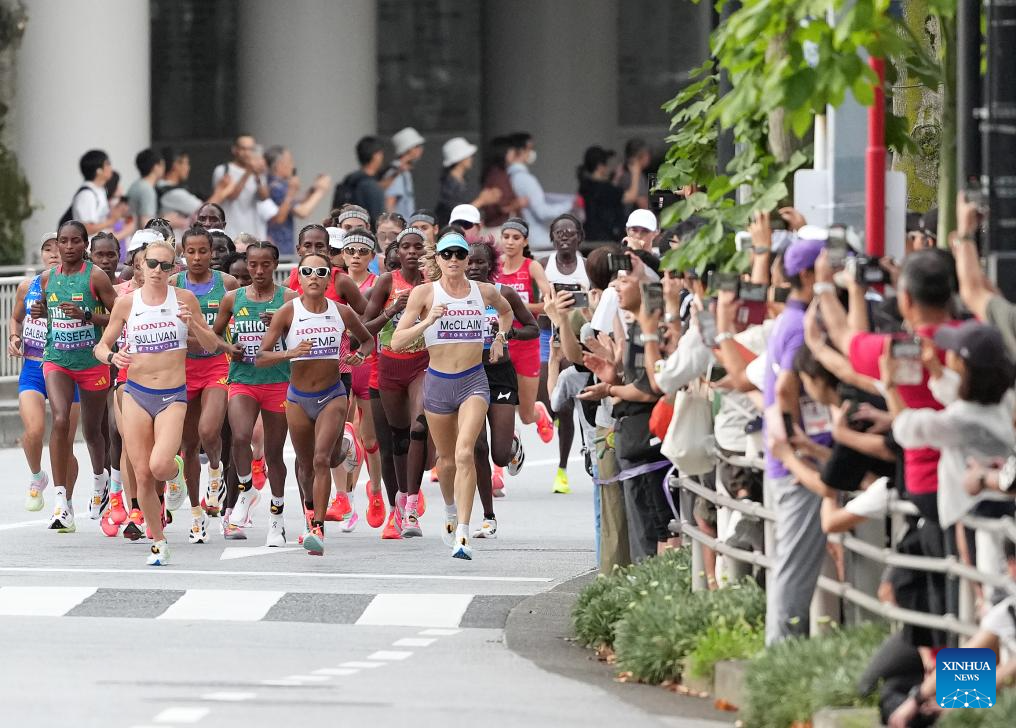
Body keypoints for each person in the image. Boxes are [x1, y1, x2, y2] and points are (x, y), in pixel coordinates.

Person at [94, 237, 221, 565]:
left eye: (165, 265)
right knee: (143, 474)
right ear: (141, 265)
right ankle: (159, 542)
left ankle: (175, 471)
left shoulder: (185, 299)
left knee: (159, 465)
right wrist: (112, 357)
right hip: (136, 394)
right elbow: (101, 346)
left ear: (173, 269)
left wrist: (194, 324)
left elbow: (212, 345)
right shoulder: (127, 303)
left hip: (172, 396)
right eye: (152, 263)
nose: (157, 270)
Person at [391, 231, 513, 558]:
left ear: (467, 259)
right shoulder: (424, 293)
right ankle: (449, 511)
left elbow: (506, 312)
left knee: (464, 453)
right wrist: (427, 321)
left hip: (474, 381)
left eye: (460, 254)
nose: (454, 260)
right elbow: (397, 341)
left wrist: (500, 338)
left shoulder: (483, 291)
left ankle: (464, 533)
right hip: (439, 383)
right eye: (447, 254)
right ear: (438, 259)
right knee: (445, 461)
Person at [256, 253, 373, 555]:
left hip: (332, 395)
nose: (314, 277)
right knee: (307, 464)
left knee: (321, 460)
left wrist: (360, 356)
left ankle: (318, 529)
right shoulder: (287, 312)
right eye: (307, 271)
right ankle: (312, 510)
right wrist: (289, 353)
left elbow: (367, 340)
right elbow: (261, 356)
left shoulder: (341, 312)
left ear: (329, 278)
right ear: (299, 275)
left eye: (321, 272)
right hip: (298, 398)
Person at [762, 235, 830, 645]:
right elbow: (787, 386)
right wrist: (794, 443)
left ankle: (784, 650)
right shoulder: (800, 324)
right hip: (799, 465)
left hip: (794, 460)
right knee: (793, 567)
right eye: (827, 264)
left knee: (791, 563)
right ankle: (781, 653)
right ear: (806, 274)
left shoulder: (793, 318)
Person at [31, 221, 119, 532]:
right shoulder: (47, 278)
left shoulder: (95, 277)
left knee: (92, 431)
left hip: (92, 362)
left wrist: (87, 316)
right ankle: (61, 501)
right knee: (59, 420)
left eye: (75, 241)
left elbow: (118, 316)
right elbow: (49, 309)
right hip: (57, 360)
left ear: (85, 245)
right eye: (63, 241)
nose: (69, 247)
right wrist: (42, 312)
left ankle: (100, 480)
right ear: (57, 244)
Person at [211, 241, 297, 545]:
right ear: (246, 265)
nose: (258, 271)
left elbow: (303, 338)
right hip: (243, 379)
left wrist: (282, 327)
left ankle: (277, 520)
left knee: (274, 454)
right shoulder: (232, 299)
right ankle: (246, 490)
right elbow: (214, 336)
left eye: (265, 265)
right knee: (240, 437)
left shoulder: (289, 298)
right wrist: (228, 347)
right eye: (253, 265)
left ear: (275, 265)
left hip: (277, 381)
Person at [362, 228, 431, 539]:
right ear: (398, 252)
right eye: (406, 247)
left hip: (422, 365)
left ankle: (412, 505)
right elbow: (364, 327)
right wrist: (394, 309)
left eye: (418, 246)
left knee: (419, 429)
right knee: (394, 443)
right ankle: (396, 508)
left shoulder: (433, 283)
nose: (412, 252)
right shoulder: (386, 282)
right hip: (386, 368)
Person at [170, 227, 239, 530]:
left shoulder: (227, 284)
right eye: (191, 252)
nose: (197, 257)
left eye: (203, 251)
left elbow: (236, 323)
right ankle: (196, 512)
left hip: (216, 366)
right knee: (187, 444)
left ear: (212, 253)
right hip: (183, 368)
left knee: (209, 430)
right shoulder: (173, 284)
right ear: (182, 254)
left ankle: (215, 470)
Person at [466, 237, 539, 522]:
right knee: (478, 447)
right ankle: (488, 516)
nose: (473, 267)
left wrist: (509, 333)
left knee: (498, 455)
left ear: (491, 265)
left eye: (480, 262)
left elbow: (532, 328)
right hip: (469, 374)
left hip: (500, 374)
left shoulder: (504, 293)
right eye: (469, 261)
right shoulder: (454, 295)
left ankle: (511, 441)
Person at [8, 233, 80, 512]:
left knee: (66, 443)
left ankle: (66, 503)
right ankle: (37, 475)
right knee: (34, 430)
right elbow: (16, 318)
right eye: (47, 249)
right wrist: (14, 337)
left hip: (67, 368)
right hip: (34, 368)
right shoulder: (28, 286)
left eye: (57, 247)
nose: (53, 253)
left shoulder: (78, 285)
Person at [539, 214, 591, 494]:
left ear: (579, 237)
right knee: (553, 401)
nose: (564, 237)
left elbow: (594, 303)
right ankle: (554, 415)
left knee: (572, 402)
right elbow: (532, 305)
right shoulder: (543, 266)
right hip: (547, 334)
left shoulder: (587, 266)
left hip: (576, 334)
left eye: (570, 232)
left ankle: (562, 469)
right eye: (559, 232)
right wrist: (549, 307)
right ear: (552, 237)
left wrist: (582, 302)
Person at [339, 231, 387, 530]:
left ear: (372, 256)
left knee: (369, 440)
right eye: (350, 250)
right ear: (342, 254)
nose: (356, 256)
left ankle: (376, 492)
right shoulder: (333, 283)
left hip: (368, 364)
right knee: (343, 439)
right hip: (340, 367)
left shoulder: (378, 285)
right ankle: (347, 501)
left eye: (362, 251)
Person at [495, 217, 555, 440]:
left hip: (527, 344)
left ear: (525, 241)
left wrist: (518, 306)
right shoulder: (494, 267)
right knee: (501, 409)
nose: (510, 242)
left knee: (526, 415)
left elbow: (549, 304)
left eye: (516, 237)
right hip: (500, 344)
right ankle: (505, 450)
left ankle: (540, 413)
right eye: (506, 237)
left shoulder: (532, 266)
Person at [507, 132, 574, 248]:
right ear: (521, 151)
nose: (532, 153)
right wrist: (570, 205)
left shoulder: (508, 177)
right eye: (530, 148)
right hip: (537, 240)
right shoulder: (526, 179)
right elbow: (542, 212)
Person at [264, 145, 332, 256]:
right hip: (279, 246)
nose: (293, 165)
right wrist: (321, 191)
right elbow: (302, 212)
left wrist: (312, 190)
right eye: (289, 161)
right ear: (279, 165)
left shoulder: (274, 183)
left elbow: (294, 203)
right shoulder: (276, 186)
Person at [211, 134, 278, 238]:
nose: (247, 153)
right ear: (235, 150)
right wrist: (248, 172)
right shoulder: (223, 170)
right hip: (229, 234)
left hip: (252, 234)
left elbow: (264, 197)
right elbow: (231, 196)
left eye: (251, 149)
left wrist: (258, 177)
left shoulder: (257, 171)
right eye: (243, 149)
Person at [435, 137, 501, 227]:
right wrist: (482, 200)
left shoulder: (462, 180)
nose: (471, 158)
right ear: (460, 158)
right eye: (469, 156)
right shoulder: (449, 184)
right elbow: (457, 214)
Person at [69, 149, 127, 235]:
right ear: (98, 170)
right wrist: (112, 220)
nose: (111, 168)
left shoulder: (100, 190)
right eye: (108, 164)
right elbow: (87, 228)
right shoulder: (87, 195)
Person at [578, 146, 625, 242]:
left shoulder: (584, 186)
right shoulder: (605, 189)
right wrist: (636, 171)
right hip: (605, 238)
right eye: (607, 164)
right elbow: (630, 196)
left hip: (588, 236)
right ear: (600, 166)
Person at [334, 136, 386, 221]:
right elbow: (378, 221)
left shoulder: (347, 180)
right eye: (381, 154)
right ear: (376, 156)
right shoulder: (372, 186)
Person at [480, 136, 526, 230]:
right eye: (511, 151)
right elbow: (501, 207)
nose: (513, 154)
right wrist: (517, 203)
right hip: (499, 227)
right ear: (502, 152)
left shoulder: (495, 173)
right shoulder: (498, 175)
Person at [156, 147, 207, 229]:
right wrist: (221, 191)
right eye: (186, 163)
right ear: (175, 165)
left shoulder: (158, 186)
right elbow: (207, 210)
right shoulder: (174, 193)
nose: (188, 167)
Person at [384, 127, 425, 219]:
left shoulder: (404, 172)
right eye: (417, 146)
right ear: (408, 149)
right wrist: (394, 225)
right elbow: (390, 203)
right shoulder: (397, 173)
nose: (421, 149)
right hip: (399, 226)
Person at [125, 148, 165, 229]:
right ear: (155, 167)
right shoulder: (147, 190)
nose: (164, 169)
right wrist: (168, 221)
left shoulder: (136, 185)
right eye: (162, 165)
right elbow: (146, 223)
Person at [614, 138, 651, 216]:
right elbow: (643, 204)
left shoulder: (622, 173)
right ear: (641, 155)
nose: (649, 157)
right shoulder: (634, 176)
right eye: (647, 154)